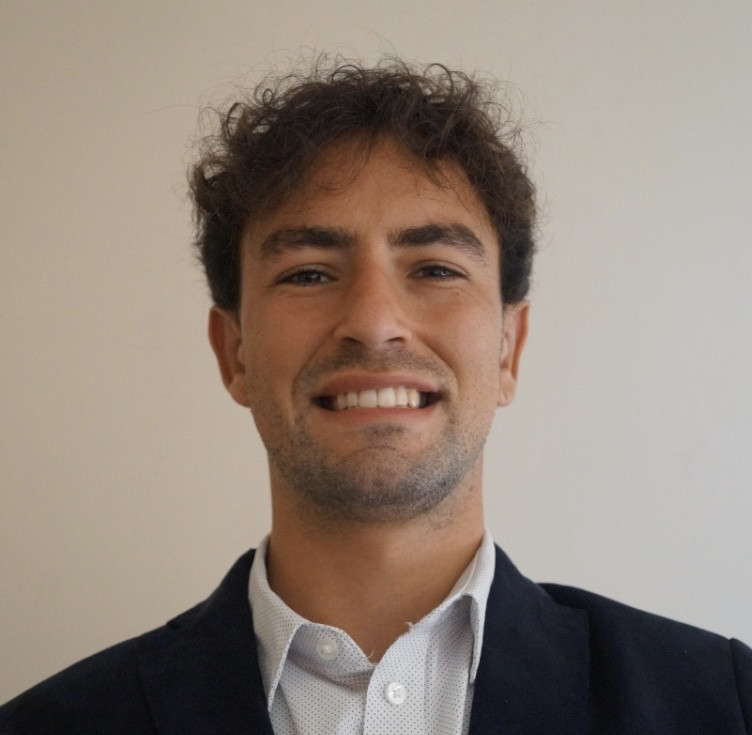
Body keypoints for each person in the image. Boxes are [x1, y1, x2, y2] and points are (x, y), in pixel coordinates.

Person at [1, 57, 750, 734]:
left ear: (508, 347)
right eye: (308, 273)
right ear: (233, 351)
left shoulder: (723, 702)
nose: (373, 321)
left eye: (435, 269)